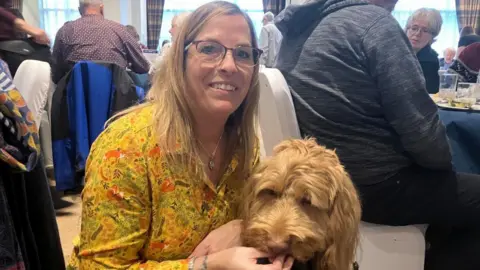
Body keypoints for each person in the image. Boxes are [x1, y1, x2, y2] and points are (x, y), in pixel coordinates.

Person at [67, 1, 292, 269]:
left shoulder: (245, 143)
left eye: (243, 54)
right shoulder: (125, 148)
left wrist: (240, 226)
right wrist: (208, 265)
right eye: (209, 49)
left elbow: (263, 210)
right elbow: (102, 267)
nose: (230, 66)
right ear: (179, 61)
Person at [275, 0, 480, 269]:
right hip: (375, 185)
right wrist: (444, 169)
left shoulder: (296, 27)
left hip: (320, 180)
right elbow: (423, 134)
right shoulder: (373, 25)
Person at [52, 0, 149, 82]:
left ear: (79, 10)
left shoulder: (64, 31)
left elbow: (56, 76)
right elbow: (143, 67)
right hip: (117, 101)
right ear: (102, 8)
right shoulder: (120, 30)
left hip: (76, 100)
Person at [405, 8, 442, 94]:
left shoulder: (431, 60)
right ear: (406, 29)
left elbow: (430, 93)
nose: (418, 34)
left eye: (425, 30)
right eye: (414, 28)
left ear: (433, 35)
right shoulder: (392, 51)